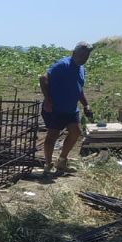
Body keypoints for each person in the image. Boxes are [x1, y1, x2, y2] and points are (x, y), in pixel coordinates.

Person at [39, 42, 94, 176]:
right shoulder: (63, 65)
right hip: (56, 108)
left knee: (75, 133)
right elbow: (43, 78)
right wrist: (48, 100)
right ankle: (48, 165)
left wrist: (86, 104)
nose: (84, 58)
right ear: (74, 53)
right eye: (81, 55)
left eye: (86, 56)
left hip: (71, 109)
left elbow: (79, 89)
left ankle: (62, 161)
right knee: (52, 136)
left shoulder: (81, 69)